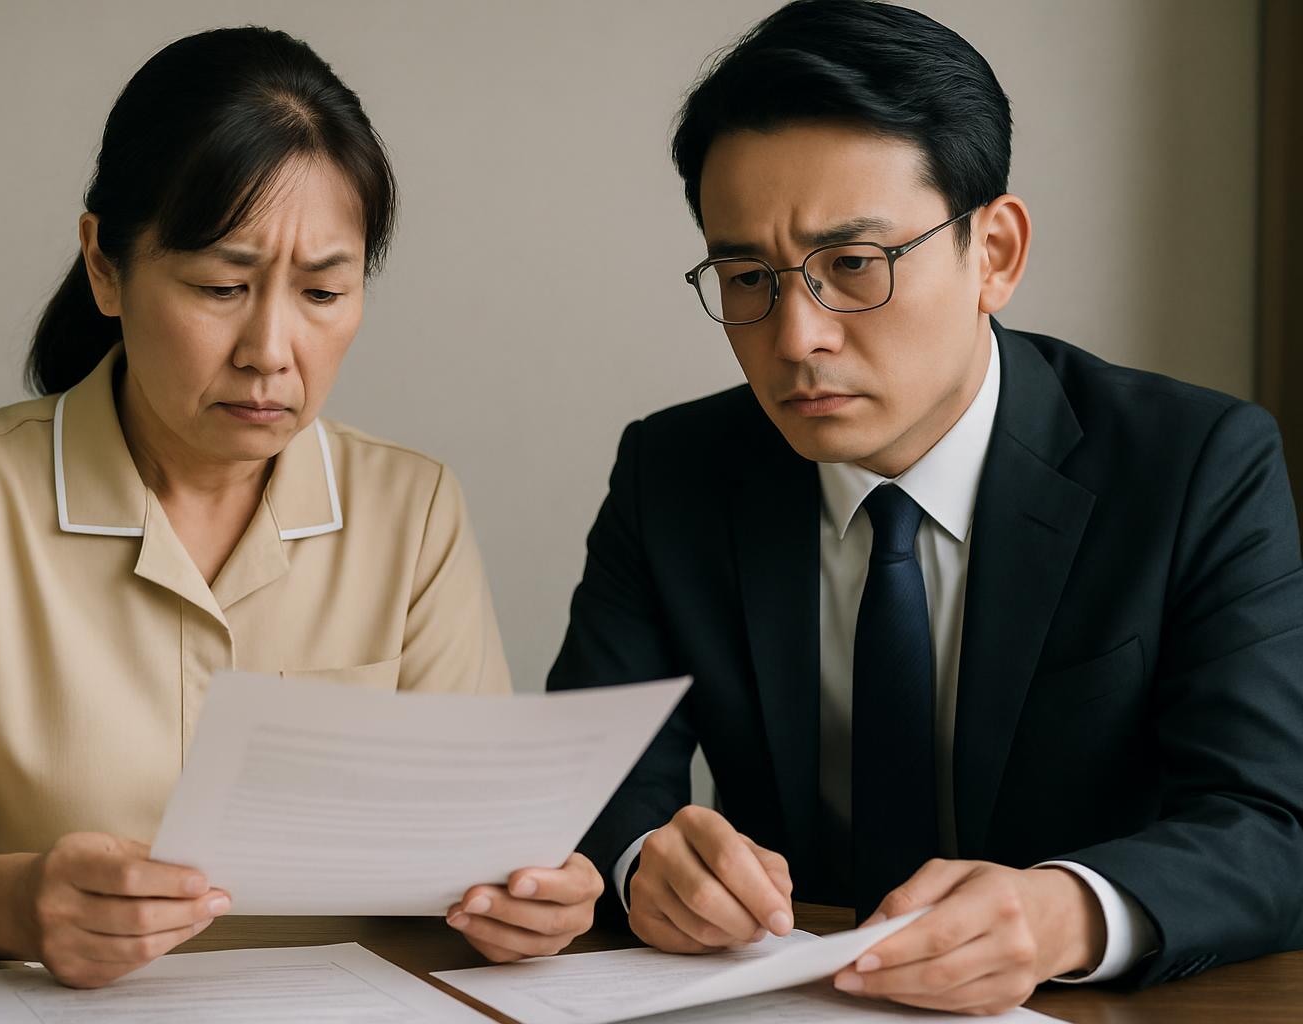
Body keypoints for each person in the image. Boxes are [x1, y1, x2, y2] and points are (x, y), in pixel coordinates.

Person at [0, 26, 600, 988]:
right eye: (221, 285)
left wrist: (534, 898)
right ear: (104, 265)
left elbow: (476, 854)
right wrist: (21, 902)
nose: (272, 349)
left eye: (324, 291)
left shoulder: (412, 510)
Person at [547, 0, 1303, 1014]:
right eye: (746, 276)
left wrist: (1059, 913)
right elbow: (586, 785)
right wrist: (648, 863)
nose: (797, 334)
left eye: (852, 266)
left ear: (993, 252)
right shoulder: (674, 471)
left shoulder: (1195, 466)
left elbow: (1269, 825)